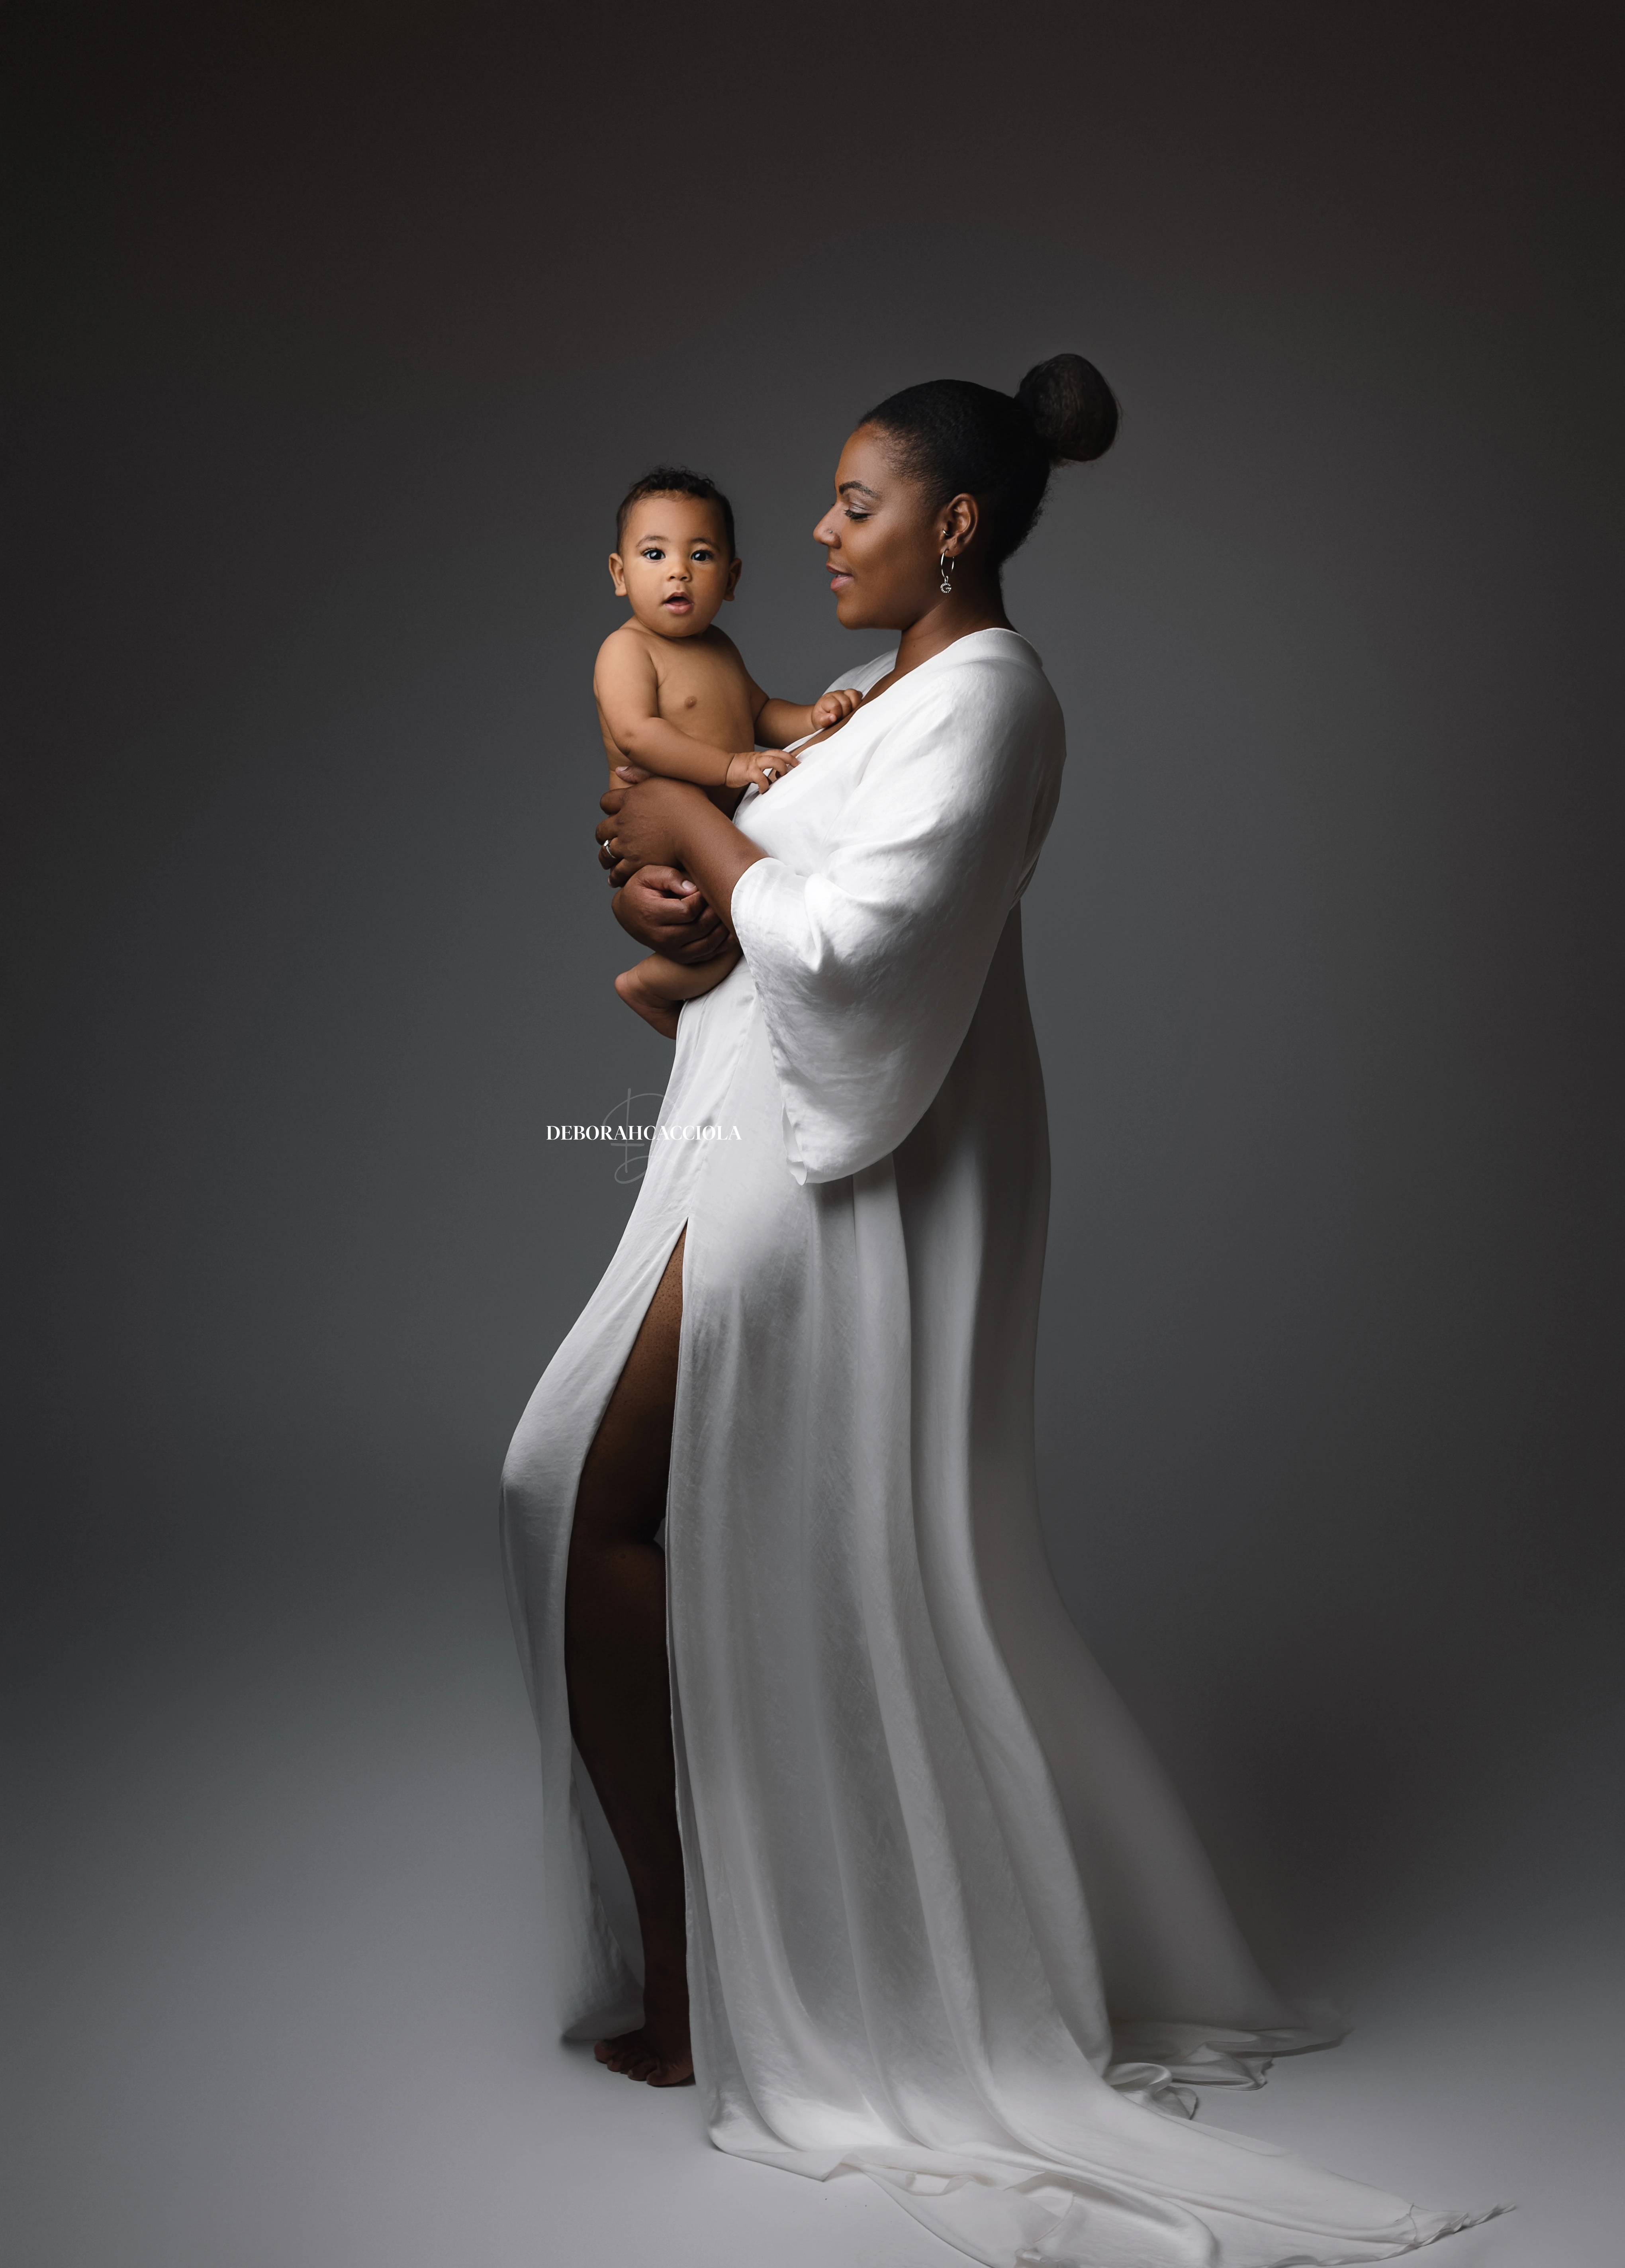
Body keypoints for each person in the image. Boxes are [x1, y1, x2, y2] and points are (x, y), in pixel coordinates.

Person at [500, 357, 1497, 2265]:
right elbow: (779, 902)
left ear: (954, 524)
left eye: (855, 502)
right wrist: (685, 888)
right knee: (591, 1502)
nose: (814, 531)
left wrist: (703, 841)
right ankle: (710, 1956)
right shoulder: (881, 695)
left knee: (602, 1496)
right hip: (757, 1132)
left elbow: (863, 949)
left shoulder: (993, 699)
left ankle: (723, 1983)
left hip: (839, 1170)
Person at [595, 465, 862, 1037]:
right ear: (619, 574)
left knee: (747, 930)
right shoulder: (627, 650)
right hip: (660, 838)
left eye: (701, 556)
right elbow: (638, 734)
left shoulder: (719, 646)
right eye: (654, 555)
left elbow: (758, 712)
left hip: (709, 833)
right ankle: (647, 986)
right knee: (728, 939)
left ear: (731, 577)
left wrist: (813, 716)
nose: (678, 572)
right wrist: (731, 766)